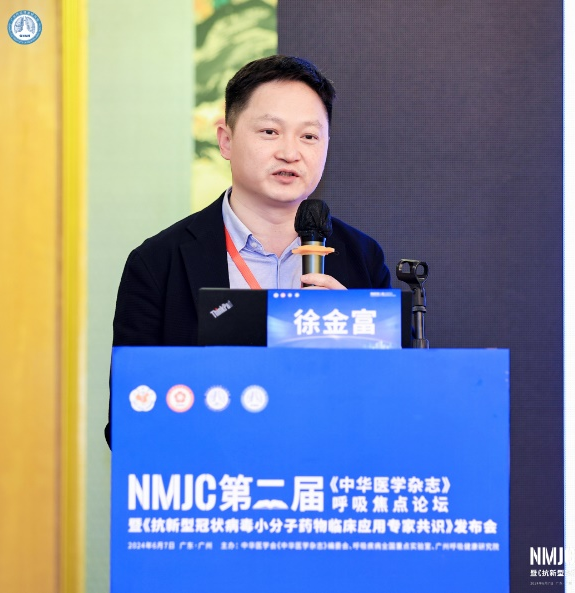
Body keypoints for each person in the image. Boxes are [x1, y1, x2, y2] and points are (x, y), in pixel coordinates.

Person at [106, 55, 390, 447]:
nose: (290, 152)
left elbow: (392, 407)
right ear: (226, 139)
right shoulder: (158, 263)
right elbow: (127, 422)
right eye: (270, 131)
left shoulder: (363, 258)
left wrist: (360, 344)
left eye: (309, 136)